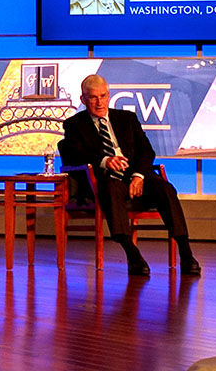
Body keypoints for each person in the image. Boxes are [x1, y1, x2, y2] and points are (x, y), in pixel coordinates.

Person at [58, 74, 201, 276]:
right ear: (83, 99)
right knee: (110, 189)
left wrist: (138, 176)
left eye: (103, 96)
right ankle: (132, 253)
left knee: (166, 189)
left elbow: (147, 151)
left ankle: (186, 253)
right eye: (93, 97)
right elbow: (73, 153)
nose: (99, 102)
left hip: (136, 175)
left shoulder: (127, 119)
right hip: (107, 178)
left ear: (109, 96)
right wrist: (104, 160)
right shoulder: (75, 124)